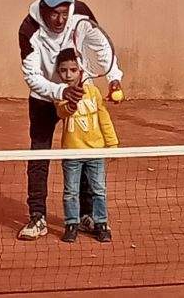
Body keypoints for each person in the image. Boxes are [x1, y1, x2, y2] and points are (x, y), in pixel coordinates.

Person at [18, 0, 123, 240]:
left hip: (81, 91)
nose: (60, 20)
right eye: (54, 13)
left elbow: (101, 46)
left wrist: (113, 77)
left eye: (64, 13)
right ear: (43, 9)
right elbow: (32, 75)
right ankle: (37, 216)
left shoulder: (82, 12)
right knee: (40, 154)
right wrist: (60, 92)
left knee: (86, 149)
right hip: (44, 97)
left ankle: (86, 214)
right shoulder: (29, 29)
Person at [54, 48, 117, 242]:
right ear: (58, 72)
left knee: (99, 190)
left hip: (95, 151)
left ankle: (101, 224)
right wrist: (70, 104)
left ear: (80, 71)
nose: (68, 75)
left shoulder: (93, 92)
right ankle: (71, 224)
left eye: (73, 70)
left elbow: (103, 117)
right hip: (72, 152)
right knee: (70, 191)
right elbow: (61, 112)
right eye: (64, 70)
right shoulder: (60, 93)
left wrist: (112, 142)